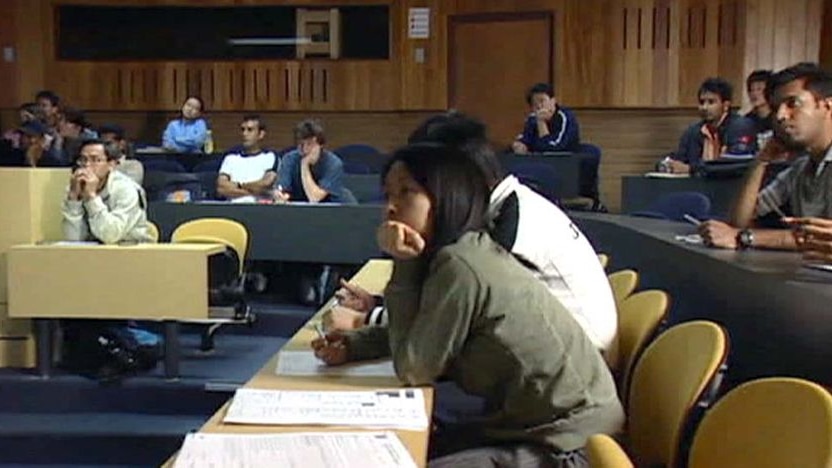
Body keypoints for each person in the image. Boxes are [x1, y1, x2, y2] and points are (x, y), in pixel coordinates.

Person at [313, 143, 623, 467]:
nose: (391, 207)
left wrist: (402, 263)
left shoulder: (461, 265)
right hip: (533, 426)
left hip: (573, 447)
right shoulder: (459, 251)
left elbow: (414, 368)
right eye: (388, 194)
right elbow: (430, 329)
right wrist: (356, 344)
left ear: (446, 199)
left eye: (407, 193)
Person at [329, 113, 617, 353]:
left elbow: (454, 324)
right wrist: (379, 305)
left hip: (576, 360)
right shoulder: (504, 204)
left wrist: (369, 319)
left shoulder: (509, 227)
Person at [699, 64, 832, 250]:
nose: (780, 116)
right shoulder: (801, 168)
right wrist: (760, 163)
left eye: (792, 104)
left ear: (827, 105)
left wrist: (745, 237)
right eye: (777, 107)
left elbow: (826, 237)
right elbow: (740, 221)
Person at [510, 83, 601, 204]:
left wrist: (541, 124)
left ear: (553, 101)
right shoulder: (532, 119)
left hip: (566, 162)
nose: (539, 106)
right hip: (543, 166)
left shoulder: (565, 117)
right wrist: (520, 145)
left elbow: (553, 149)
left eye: (543, 100)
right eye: (535, 103)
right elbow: (526, 139)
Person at [62, 139, 151, 244]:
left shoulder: (126, 189)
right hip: (91, 252)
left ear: (111, 164)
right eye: (83, 159)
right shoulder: (76, 186)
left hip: (130, 250)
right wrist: (73, 200)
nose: (87, 165)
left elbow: (110, 236)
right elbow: (73, 239)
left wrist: (92, 198)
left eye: (95, 160)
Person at [665, 77, 757, 174]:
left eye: (711, 102)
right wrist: (667, 164)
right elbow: (679, 157)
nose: (705, 107)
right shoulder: (693, 131)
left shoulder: (741, 127)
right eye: (702, 102)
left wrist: (692, 169)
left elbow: (735, 166)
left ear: (726, 105)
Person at [276, 119, 345, 203]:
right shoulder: (289, 159)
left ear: (320, 145)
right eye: (301, 144)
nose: (305, 149)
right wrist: (280, 195)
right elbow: (282, 190)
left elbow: (314, 198)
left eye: (310, 144)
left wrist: (304, 165)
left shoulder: (333, 163)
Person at [216, 115, 279, 202]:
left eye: (250, 130)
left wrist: (238, 185)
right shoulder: (230, 158)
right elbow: (221, 188)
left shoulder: (270, 157)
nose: (244, 134)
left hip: (260, 209)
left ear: (261, 134)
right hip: (232, 209)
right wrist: (253, 190)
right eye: (243, 130)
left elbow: (265, 184)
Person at [745, 69, 774, 136]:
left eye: (759, 89)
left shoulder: (777, 118)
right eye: (751, 90)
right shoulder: (747, 121)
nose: (754, 94)